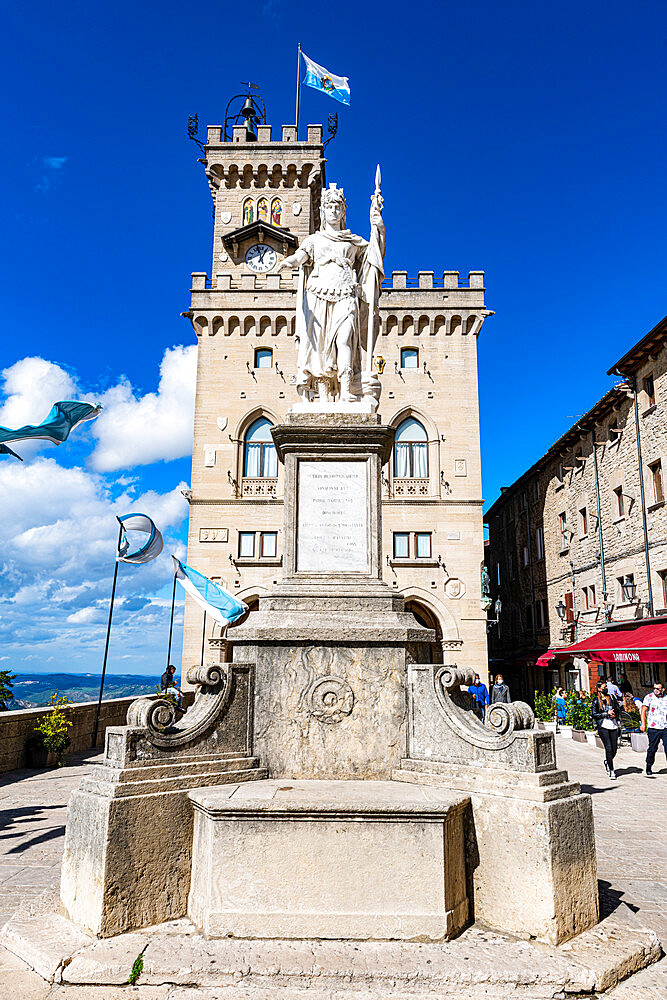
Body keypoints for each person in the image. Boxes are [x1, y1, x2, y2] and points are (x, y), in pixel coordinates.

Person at [591, 679, 622, 779]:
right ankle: (612, 770)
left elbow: (618, 709)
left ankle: (607, 761)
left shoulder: (611, 698)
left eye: (606, 687)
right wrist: (606, 714)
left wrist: (615, 714)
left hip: (613, 725)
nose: (606, 689)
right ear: (599, 689)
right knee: (608, 748)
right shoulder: (596, 700)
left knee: (614, 749)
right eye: (604, 688)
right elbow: (594, 714)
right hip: (603, 726)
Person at [641, 681, 667, 777]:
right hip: (653, 727)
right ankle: (649, 765)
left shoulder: (666, 699)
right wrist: (643, 724)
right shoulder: (649, 697)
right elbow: (643, 711)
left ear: (662, 690)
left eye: (658, 689)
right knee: (652, 748)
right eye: (654, 688)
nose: (655, 690)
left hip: (665, 727)